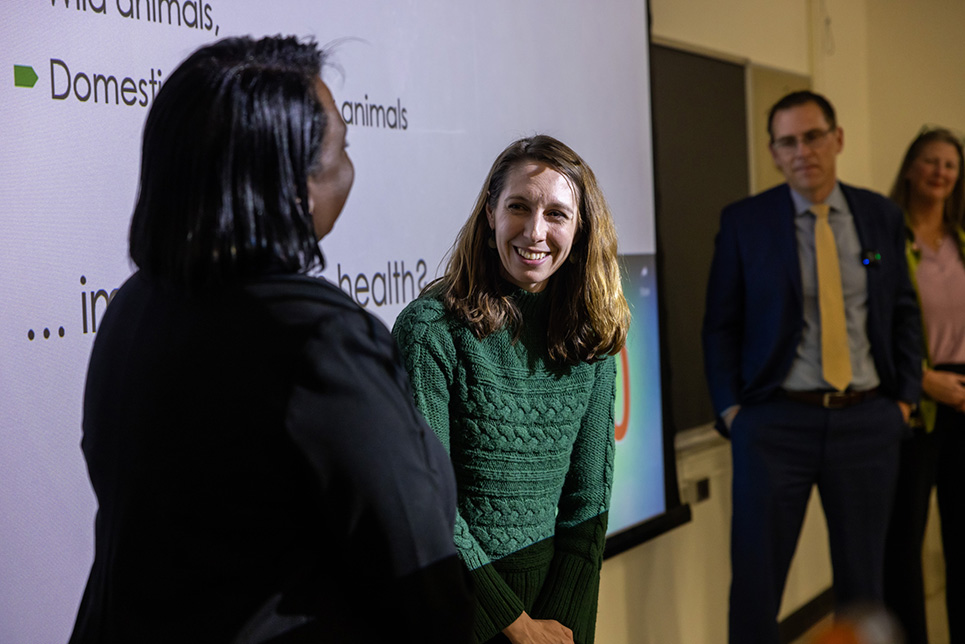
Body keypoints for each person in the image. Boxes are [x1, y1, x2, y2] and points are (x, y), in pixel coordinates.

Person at [68, 35, 471, 644]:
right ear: (294, 186)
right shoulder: (323, 343)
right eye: (342, 150)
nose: (350, 169)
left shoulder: (131, 309)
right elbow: (420, 581)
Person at [702, 90, 922, 644]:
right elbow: (720, 325)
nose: (803, 151)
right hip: (775, 425)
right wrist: (732, 412)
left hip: (868, 423)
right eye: (788, 141)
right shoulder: (745, 222)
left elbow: (902, 310)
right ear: (774, 152)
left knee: (865, 587)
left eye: (814, 136)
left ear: (837, 138)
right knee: (756, 586)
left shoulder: (880, 216)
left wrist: (905, 400)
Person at [392, 135, 629, 644]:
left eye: (557, 214)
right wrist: (515, 627)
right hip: (457, 609)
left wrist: (558, 626)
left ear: (581, 227)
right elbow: (427, 503)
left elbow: (587, 504)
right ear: (489, 216)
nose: (535, 231)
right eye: (518, 206)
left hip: (559, 612)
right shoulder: (430, 331)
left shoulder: (593, 337)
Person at [883, 127, 965, 644]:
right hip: (915, 399)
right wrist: (921, 379)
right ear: (911, 168)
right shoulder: (885, 240)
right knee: (903, 545)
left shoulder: (963, 241)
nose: (940, 172)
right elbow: (870, 324)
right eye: (930, 161)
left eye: (950, 165)